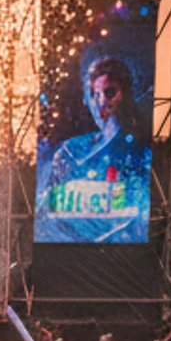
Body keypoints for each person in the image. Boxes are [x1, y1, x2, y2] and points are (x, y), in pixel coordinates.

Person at [39, 54, 152, 240]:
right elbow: (49, 212)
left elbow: (135, 218)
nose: (101, 103)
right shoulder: (70, 151)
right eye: (94, 94)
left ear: (126, 94)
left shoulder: (140, 155)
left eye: (110, 93)